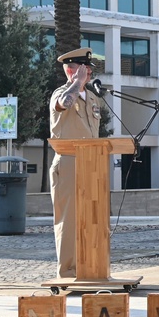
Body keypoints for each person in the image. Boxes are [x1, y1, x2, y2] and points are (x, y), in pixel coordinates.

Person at [49, 47, 101, 279]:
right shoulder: (61, 94)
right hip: (69, 162)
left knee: (92, 219)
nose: (88, 74)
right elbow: (63, 104)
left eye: (89, 71)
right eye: (84, 70)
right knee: (69, 220)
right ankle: (68, 271)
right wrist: (75, 82)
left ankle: (90, 267)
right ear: (71, 69)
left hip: (92, 163)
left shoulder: (91, 97)